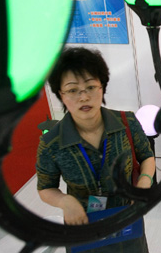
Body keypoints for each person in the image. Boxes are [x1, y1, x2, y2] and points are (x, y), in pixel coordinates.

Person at [36, 47, 155, 253]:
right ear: (61, 95)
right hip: (82, 223)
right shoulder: (51, 143)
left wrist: (144, 181)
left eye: (91, 87)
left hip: (126, 218)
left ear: (102, 87)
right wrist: (65, 201)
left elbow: (147, 156)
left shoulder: (127, 122)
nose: (83, 97)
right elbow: (45, 188)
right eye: (73, 90)